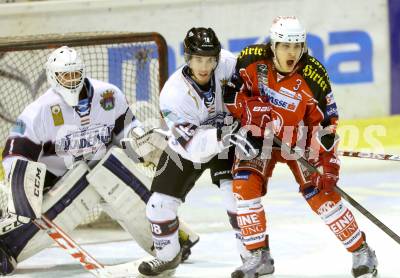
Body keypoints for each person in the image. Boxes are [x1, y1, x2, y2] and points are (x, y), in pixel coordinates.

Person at [0, 46, 198, 275]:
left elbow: (129, 135)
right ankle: (6, 246)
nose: (72, 80)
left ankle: (171, 241)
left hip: (107, 170)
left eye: (76, 73)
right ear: (53, 77)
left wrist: (143, 144)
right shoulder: (39, 112)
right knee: (82, 177)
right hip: (61, 182)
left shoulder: (109, 95)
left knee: (111, 169)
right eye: (66, 75)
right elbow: (15, 153)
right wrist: (23, 187)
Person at [224, 16, 378, 278]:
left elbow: (328, 123)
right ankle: (258, 255)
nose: (292, 53)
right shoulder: (250, 60)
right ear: (273, 45)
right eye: (285, 46)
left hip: (301, 139)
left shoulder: (314, 75)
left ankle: (362, 251)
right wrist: (249, 111)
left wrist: (329, 161)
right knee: (244, 184)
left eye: (297, 46)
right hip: (261, 138)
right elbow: (231, 94)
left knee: (322, 195)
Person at [137, 27, 257, 277]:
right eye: (198, 59)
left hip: (229, 139)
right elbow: (192, 148)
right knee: (158, 205)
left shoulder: (228, 64)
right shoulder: (173, 94)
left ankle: (252, 256)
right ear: (188, 58)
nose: (205, 66)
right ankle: (167, 257)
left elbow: (256, 91)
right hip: (191, 146)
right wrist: (223, 136)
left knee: (236, 197)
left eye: (210, 60)